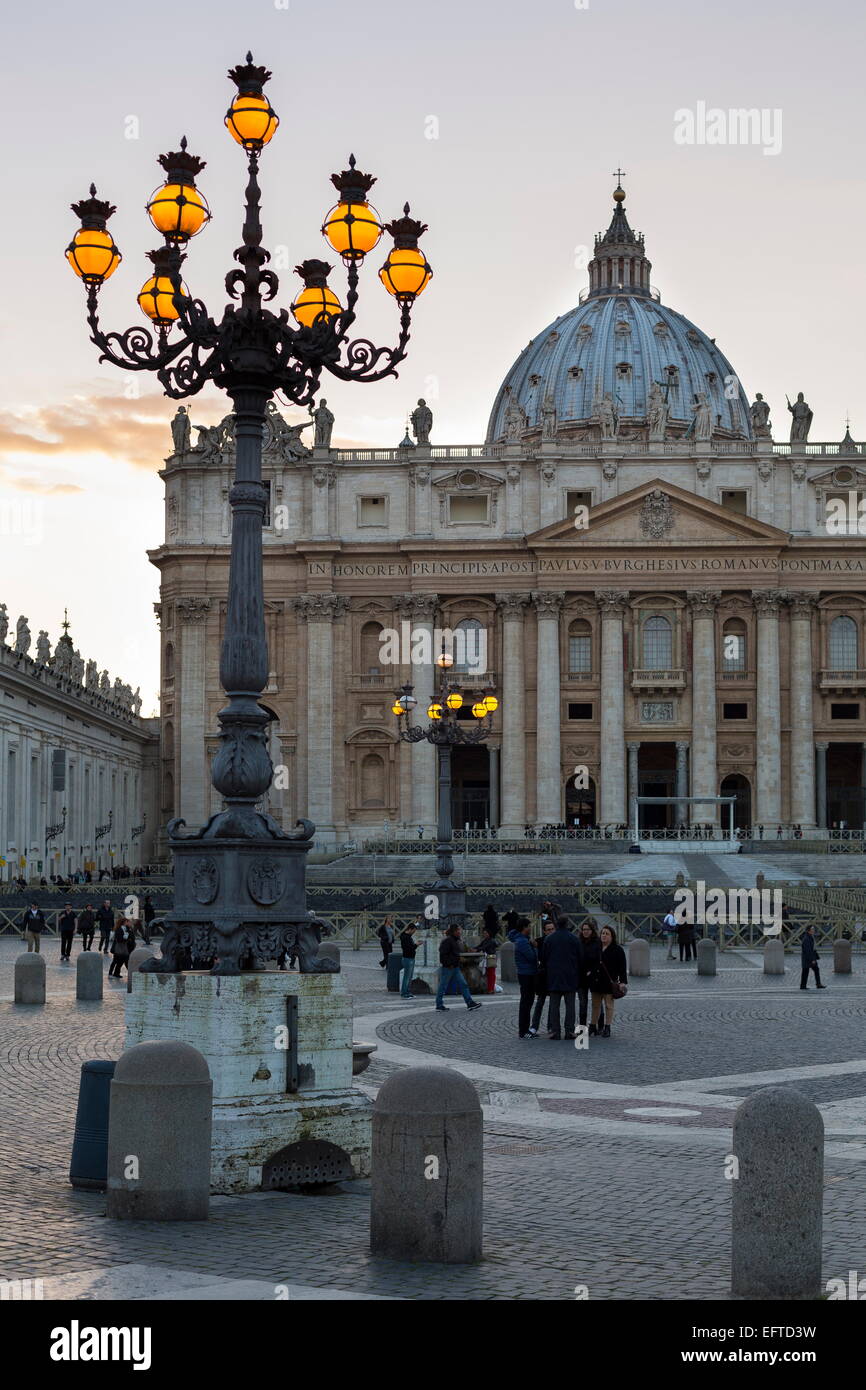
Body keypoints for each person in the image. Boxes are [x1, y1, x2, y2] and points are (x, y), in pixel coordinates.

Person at [541, 916, 580, 1039]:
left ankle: (555, 1031)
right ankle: (569, 1031)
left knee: (554, 1006)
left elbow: (543, 958)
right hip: (570, 976)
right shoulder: (574, 938)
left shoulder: (549, 939)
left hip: (554, 976)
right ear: (567, 924)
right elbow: (580, 957)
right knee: (570, 1006)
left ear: (557, 924)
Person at [589, 924, 628, 1038]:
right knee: (595, 1005)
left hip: (609, 983)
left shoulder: (617, 950)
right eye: (602, 933)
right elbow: (591, 961)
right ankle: (593, 1026)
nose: (604, 935)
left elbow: (622, 967)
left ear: (612, 936)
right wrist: (589, 971)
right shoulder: (596, 947)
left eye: (607, 934)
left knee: (608, 1006)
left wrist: (622, 982)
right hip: (596, 981)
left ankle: (607, 1027)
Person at [435, 924, 482, 1012]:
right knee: (443, 986)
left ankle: (470, 1003)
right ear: (454, 931)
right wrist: (449, 964)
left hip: (455, 967)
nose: (460, 932)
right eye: (458, 930)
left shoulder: (454, 940)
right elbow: (442, 954)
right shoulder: (448, 941)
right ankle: (439, 1004)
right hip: (449, 967)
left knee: (463, 984)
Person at [529, 917, 556, 1035]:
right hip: (543, 975)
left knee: (553, 1003)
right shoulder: (539, 941)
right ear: (544, 931)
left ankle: (550, 1026)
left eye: (552, 929)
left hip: (554, 975)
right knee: (540, 1002)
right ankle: (534, 1025)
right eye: (548, 930)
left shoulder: (557, 941)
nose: (551, 931)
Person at [512, 918, 538, 1038]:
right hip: (527, 974)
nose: (530, 928)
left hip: (525, 973)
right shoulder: (523, 942)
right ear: (524, 928)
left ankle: (524, 1029)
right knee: (526, 1002)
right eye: (529, 926)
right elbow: (532, 957)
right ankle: (524, 1029)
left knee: (526, 1002)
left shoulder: (520, 939)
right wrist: (535, 947)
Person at [576, 918, 602, 1028]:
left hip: (594, 977)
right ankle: (582, 1027)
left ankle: (599, 1026)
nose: (585, 931)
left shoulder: (597, 943)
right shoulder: (578, 942)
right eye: (583, 929)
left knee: (597, 1003)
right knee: (582, 1003)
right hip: (581, 977)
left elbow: (600, 959)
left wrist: (592, 970)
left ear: (592, 930)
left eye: (588, 929)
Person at [800, 925, 826, 990]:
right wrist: (812, 959)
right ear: (809, 930)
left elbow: (813, 948)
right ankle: (804, 986)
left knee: (813, 970)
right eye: (812, 929)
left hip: (809, 957)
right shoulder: (806, 938)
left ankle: (816, 984)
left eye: (814, 929)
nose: (814, 930)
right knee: (806, 972)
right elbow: (808, 950)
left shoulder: (810, 936)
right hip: (808, 958)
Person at [475, 926, 499, 994]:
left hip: (491, 958)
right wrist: (474, 948)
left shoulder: (491, 941)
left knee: (491, 974)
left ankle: (491, 989)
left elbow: (484, 947)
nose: (484, 934)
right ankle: (489, 988)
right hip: (487, 958)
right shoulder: (485, 940)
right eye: (484, 933)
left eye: (486, 933)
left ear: (489, 934)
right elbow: (479, 946)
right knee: (488, 974)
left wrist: (476, 949)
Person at [399, 920, 418, 998]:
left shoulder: (407, 937)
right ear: (410, 929)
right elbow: (409, 948)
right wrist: (416, 945)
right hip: (407, 959)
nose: (413, 933)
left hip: (410, 958)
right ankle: (404, 993)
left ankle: (407, 992)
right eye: (413, 931)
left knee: (409, 977)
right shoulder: (405, 937)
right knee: (407, 977)